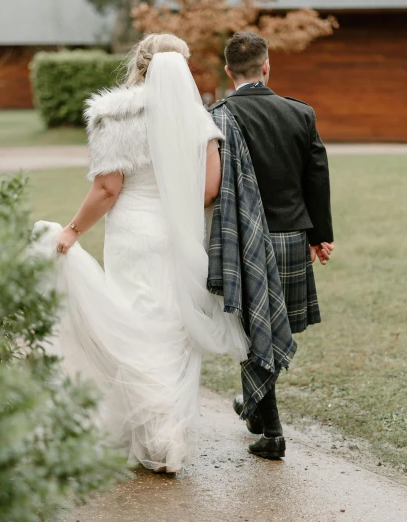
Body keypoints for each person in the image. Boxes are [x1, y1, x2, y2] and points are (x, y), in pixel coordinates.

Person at [31, 34, 248, 474]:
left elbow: (108, 188)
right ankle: (165, 437)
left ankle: (150, 434)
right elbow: (209, 189)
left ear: (141, 62)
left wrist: (73, 230)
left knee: (134, 325)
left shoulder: (114, 114)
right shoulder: (197, 119)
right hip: (177, 236)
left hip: (132, 234)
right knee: (168, 328)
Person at [208, 32, 334, 457]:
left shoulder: (217, 118)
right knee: (263, 329)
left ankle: (273, 432)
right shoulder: (300, 113)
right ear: (267, 66)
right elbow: (316, 176)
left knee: (253, 330)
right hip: (291, 239)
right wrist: (320, 236)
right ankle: (256, 408)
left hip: (243, 240)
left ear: (229, 72)